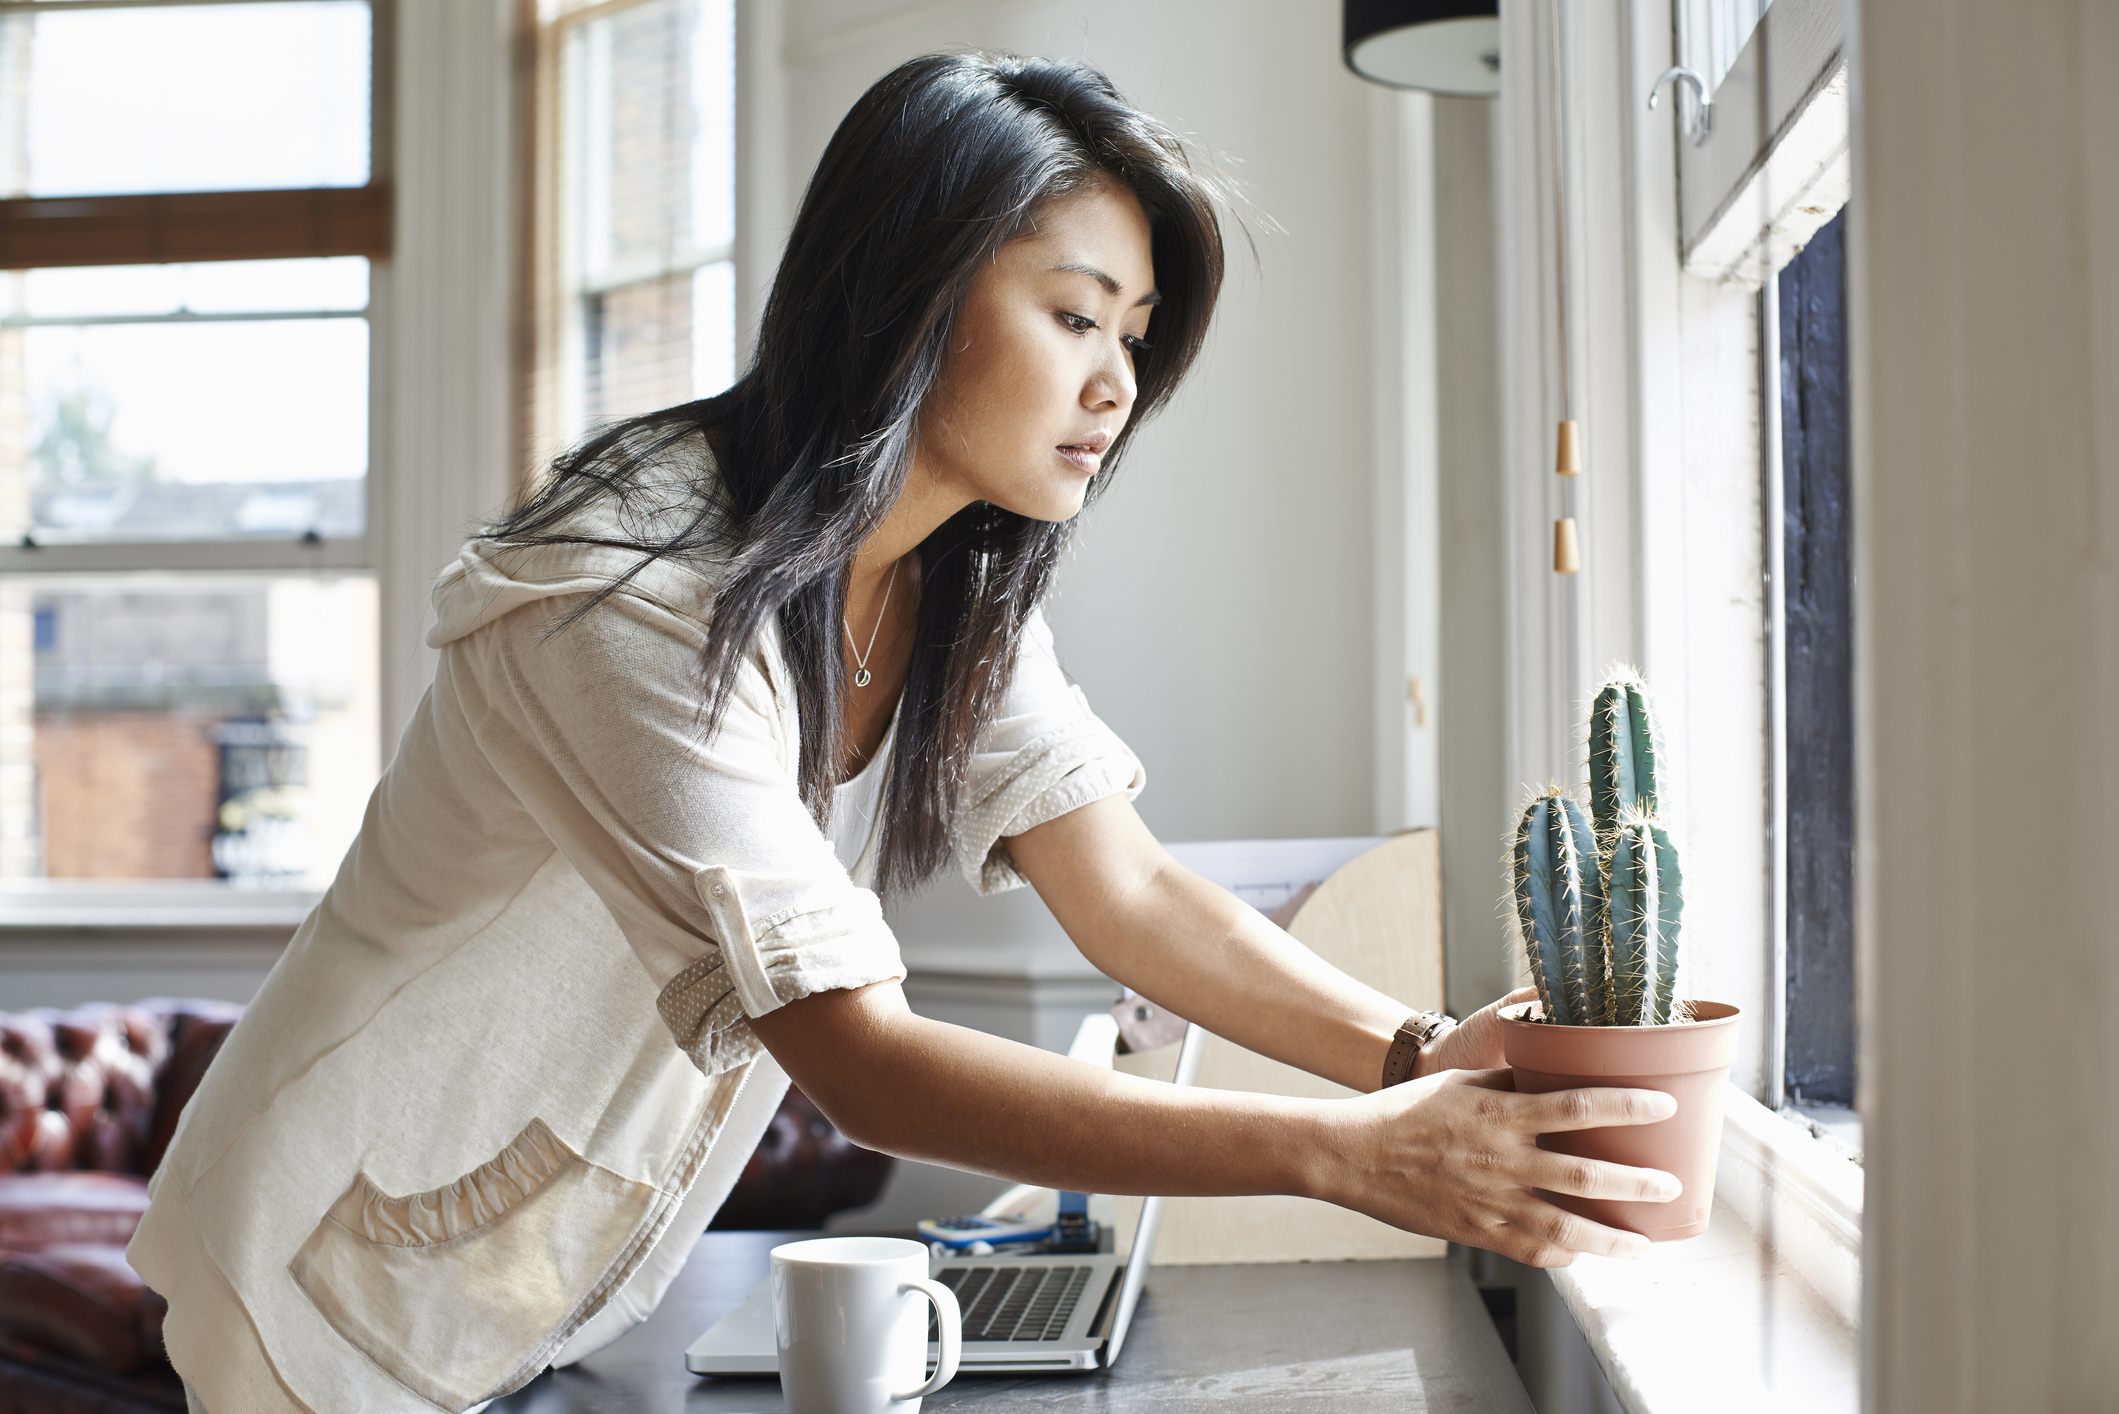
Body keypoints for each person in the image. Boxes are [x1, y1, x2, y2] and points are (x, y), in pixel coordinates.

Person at [130, 52, 1680, 1414]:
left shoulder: (946, 577)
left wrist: (1414, 1050)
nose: (1114, 383)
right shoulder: (632, 591)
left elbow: (1128, 893)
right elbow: (859, 1058)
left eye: (1134, 334)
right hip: (318, 1269)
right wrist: (1344, 1153)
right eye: (1075, 314)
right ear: (912, 291)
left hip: (518, 1267)